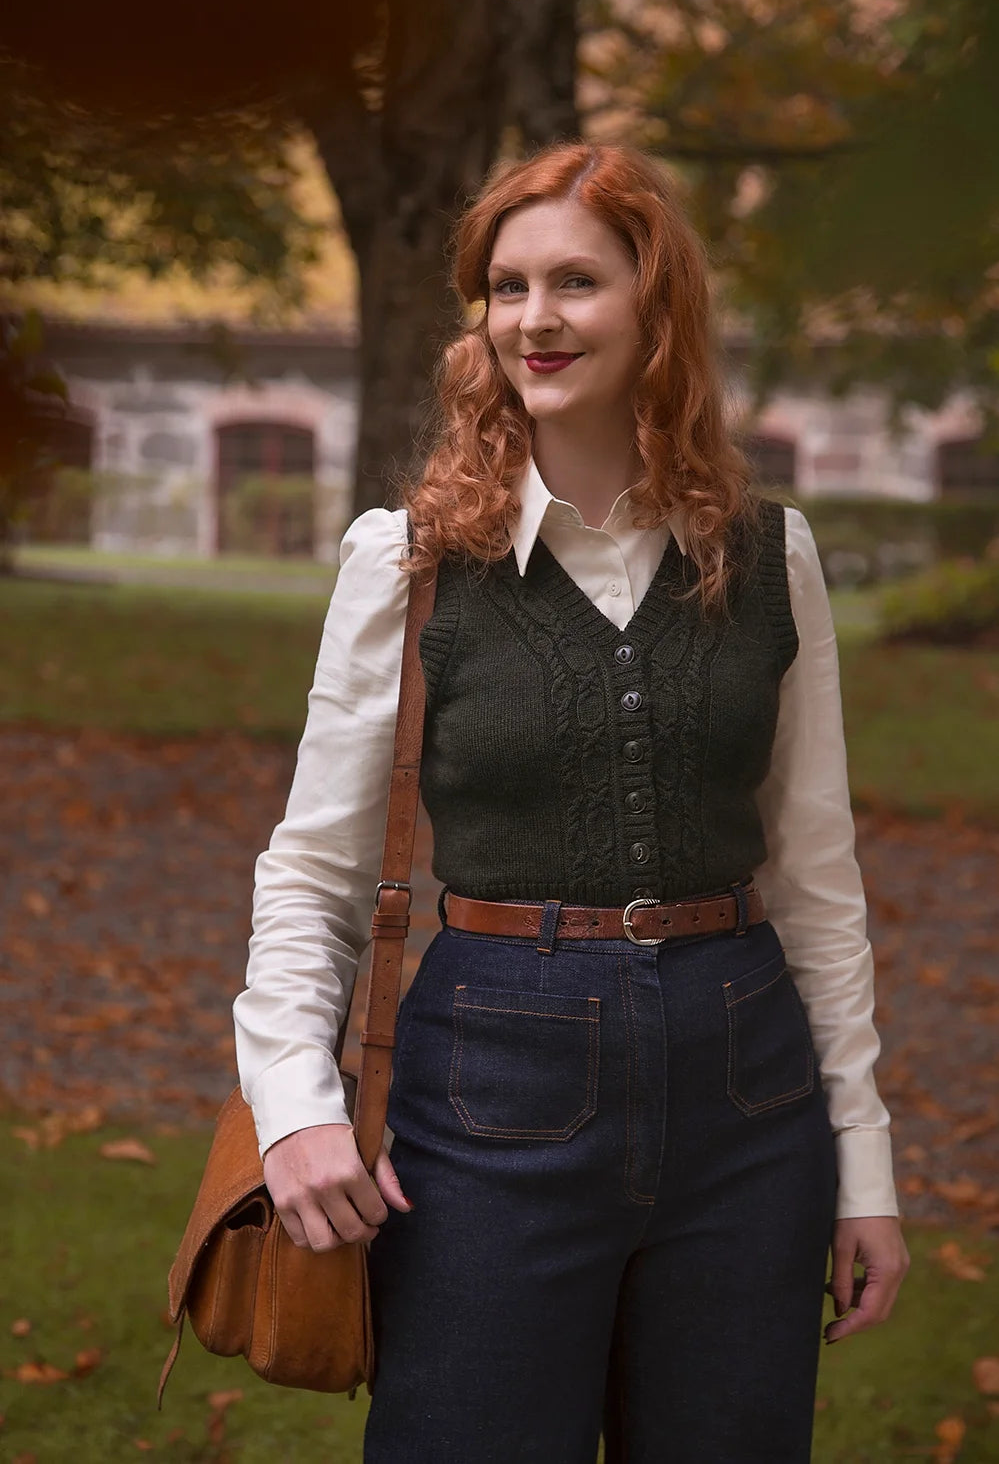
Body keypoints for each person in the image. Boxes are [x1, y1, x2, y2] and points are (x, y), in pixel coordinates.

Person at [232, 140, 909, 1463]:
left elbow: (819, 883)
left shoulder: (771, 558)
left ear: (659, 305)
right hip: (492, 1082)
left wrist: (864, 1172)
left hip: (748, 1099)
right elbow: (311, 872)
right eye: (507, 285)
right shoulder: (412, 561)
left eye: (578, 281)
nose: (534, 319)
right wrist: (297, 1107)